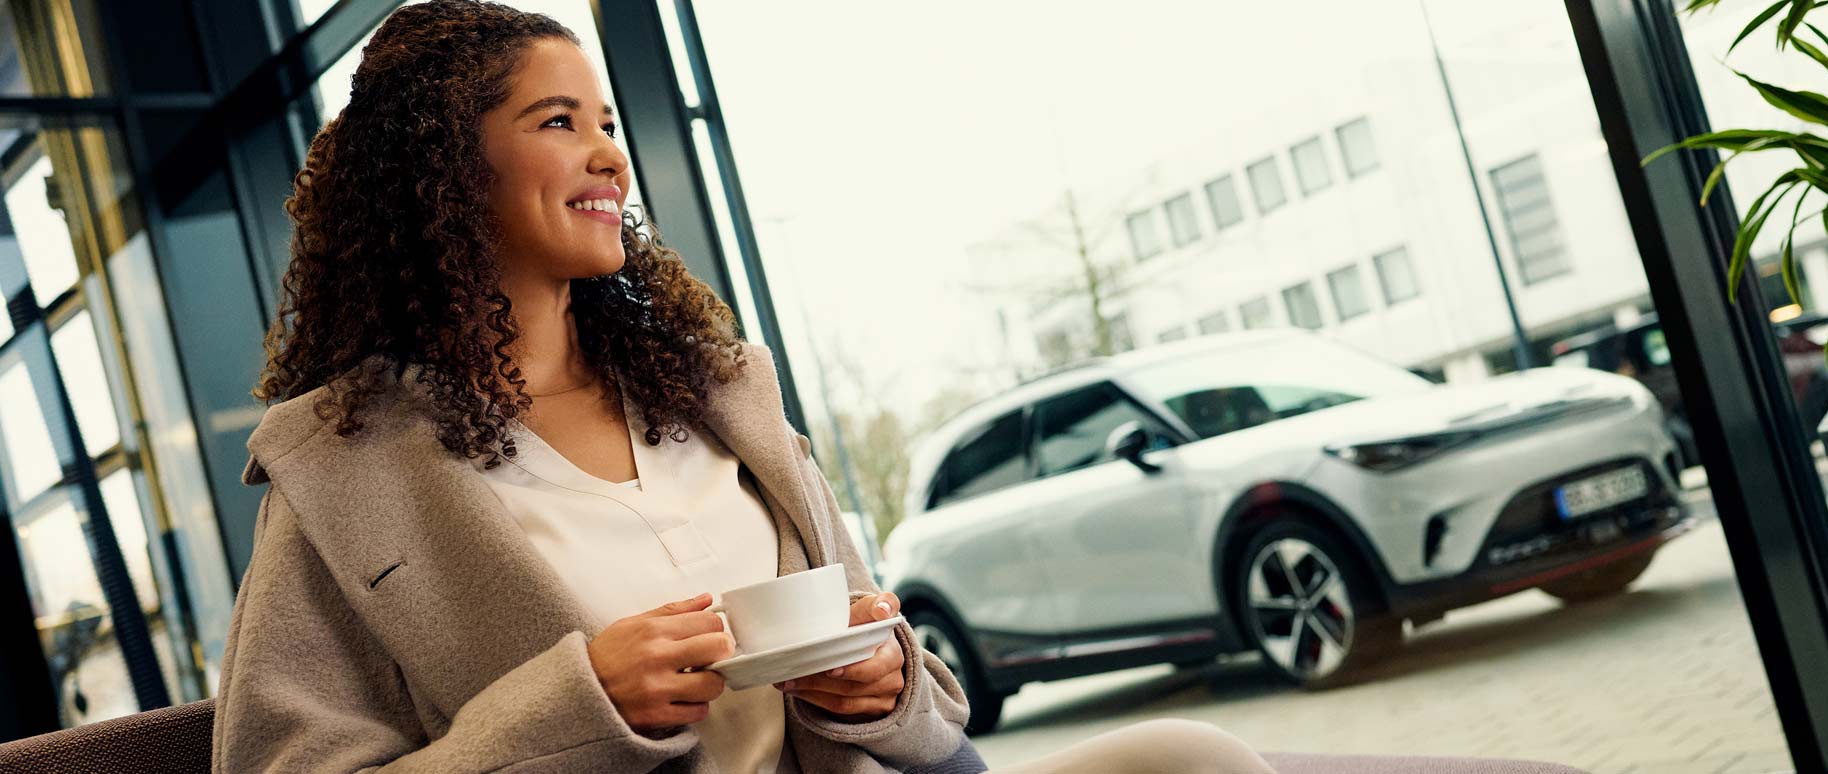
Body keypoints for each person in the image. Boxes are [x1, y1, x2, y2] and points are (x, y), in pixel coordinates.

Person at [212, 2, 1277, 772]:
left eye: (608, 124)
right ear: (442, 169)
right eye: (557, 123)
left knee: (1194, 756)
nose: (608, 159)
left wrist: (884, 683)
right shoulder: (345, 482)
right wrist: (576, 708)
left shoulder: (717, 392)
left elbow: (922, 690)